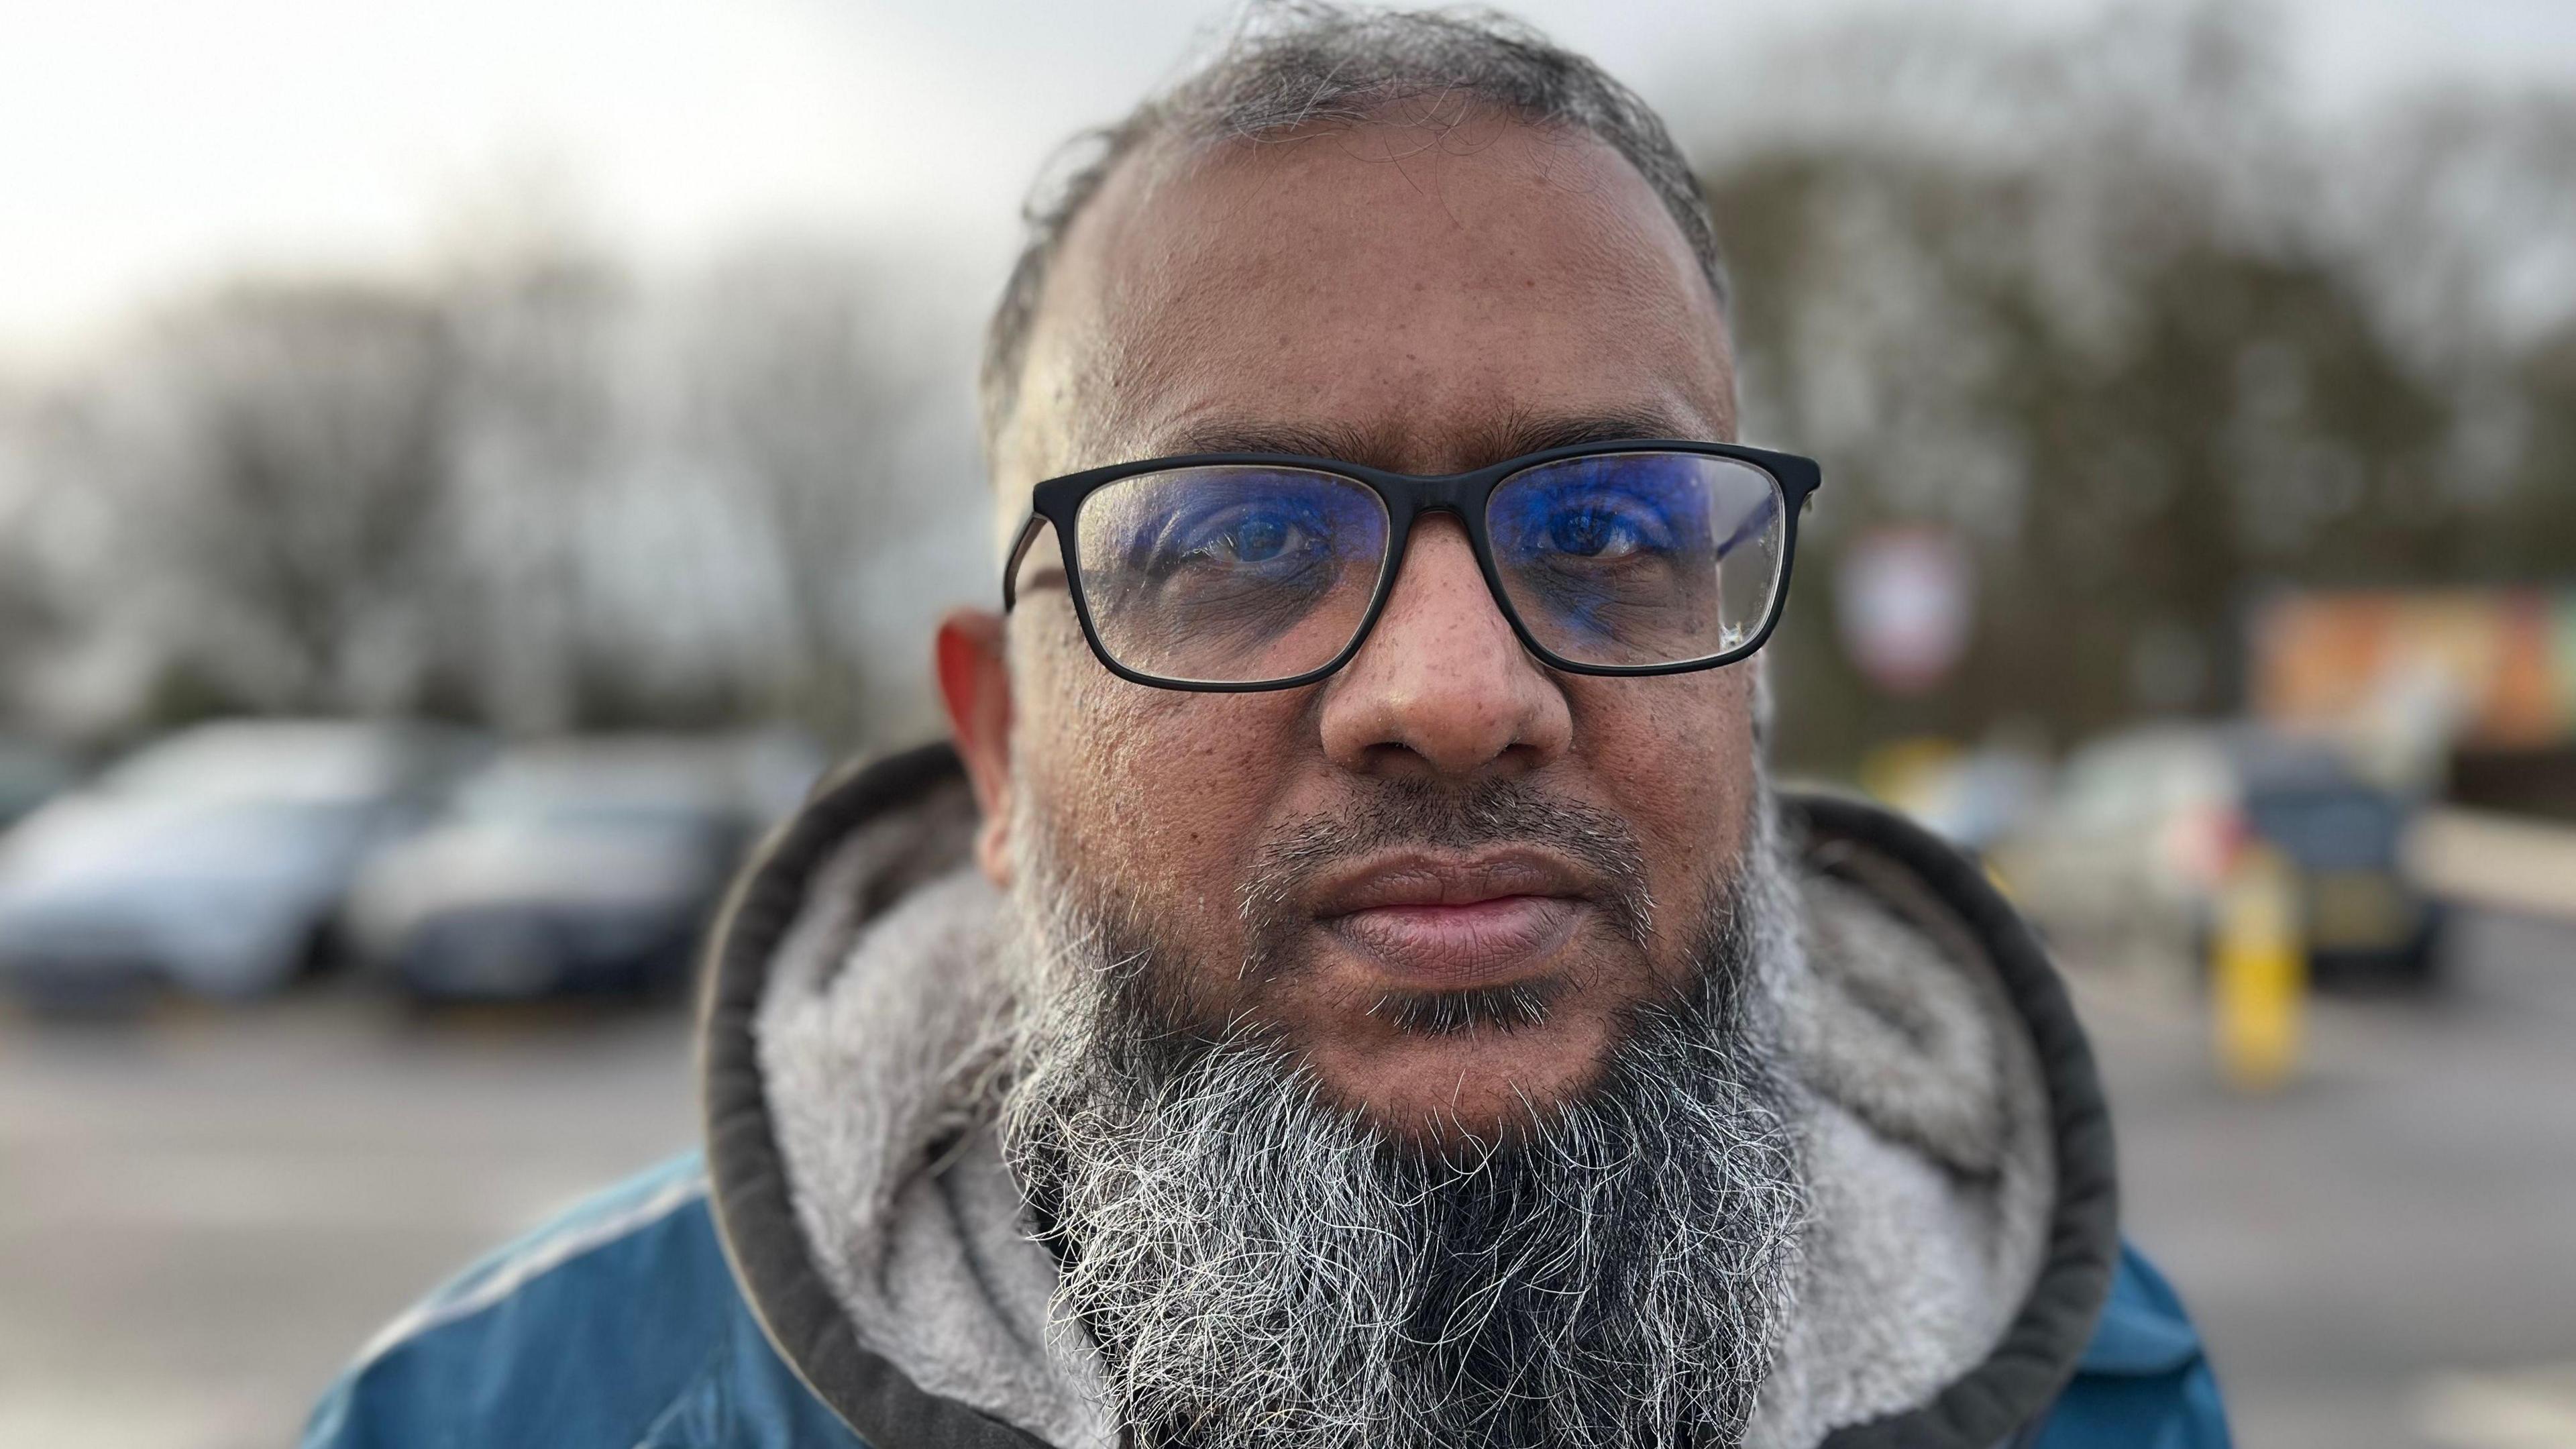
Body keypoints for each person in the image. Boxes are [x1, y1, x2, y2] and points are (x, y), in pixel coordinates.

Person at [304, 7, 2229, 1447]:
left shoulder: (2103, 1383)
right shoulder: (508, 1411)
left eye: (1616, 527)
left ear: (1750, 670)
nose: (1459, 695)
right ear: (996, 750)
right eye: (1235, 539)